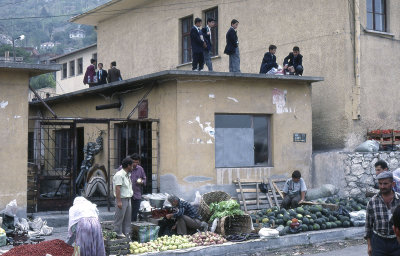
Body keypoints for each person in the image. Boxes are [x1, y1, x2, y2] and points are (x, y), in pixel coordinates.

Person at [366, 171, 400, 256]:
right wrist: (369, 245)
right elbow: (368, 226)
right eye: (380, 184)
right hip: (378, 242)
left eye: (385, 184)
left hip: (396, 241)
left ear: (393, 184)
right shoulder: (372, 202)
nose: (382, 186)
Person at [113, 157, 134, 238]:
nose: (133, 167)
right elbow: (117, 188)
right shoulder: (119, 175)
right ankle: (118, 234)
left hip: (128, 199)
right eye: (132, 165)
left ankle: (127, 234)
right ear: (128, 166)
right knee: (119, 218)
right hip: (121, 199)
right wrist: (119, 201)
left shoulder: (127, 175)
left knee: (127, 218)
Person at [130, 153, 147, 222]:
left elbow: (144, 179)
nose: (135, 164)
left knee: (134, 213)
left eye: (137, 162)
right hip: (126, 195)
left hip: (136, 194)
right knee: (126, 213)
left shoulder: (140, 169)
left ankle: (133, 227)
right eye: (134, 162)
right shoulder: (124, 168)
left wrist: (141, 182)